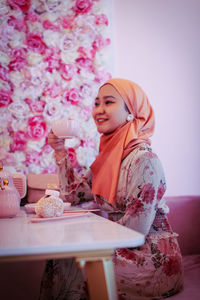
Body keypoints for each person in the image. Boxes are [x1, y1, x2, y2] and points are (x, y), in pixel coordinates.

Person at [39, 78, 183, 300]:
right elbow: (73, 195)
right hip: (120, 246)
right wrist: (60, 152)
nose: (99, 110)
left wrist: (88, 237)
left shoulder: (144, 160)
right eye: (97, 103)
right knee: (62, 256)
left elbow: (136, 231)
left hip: (147, 257)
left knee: (70, 264)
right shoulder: (109, 157)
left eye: (108, 102)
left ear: (131, 111)